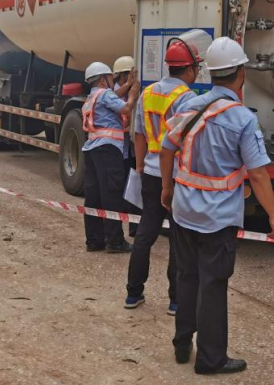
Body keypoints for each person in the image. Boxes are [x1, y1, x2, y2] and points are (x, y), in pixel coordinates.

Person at [160, 37, 274, 374]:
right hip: (218, 219)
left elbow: (166, 147)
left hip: (184, 211)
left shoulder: (188, 107)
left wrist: (167, 188)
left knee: (186, 276)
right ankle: (211, 359)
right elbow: (257, 174)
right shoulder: (242, 119)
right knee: (212, 284)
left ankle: (182, 343)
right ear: (241, 73)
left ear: (210, 74)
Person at [125, 32, 205, 315]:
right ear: (190, 68)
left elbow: (138, 136)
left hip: (149, 171)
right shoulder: (186, 98)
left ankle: (133, 294)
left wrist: (139, 167)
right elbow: (186, 141)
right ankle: (175, 299)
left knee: (144, 234)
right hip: (175, 176)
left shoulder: (147, 93)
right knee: (178, 238)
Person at [81, 61, 139, 253]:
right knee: (112, 195)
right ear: (104, 79)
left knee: (94, 196)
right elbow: (125, 108)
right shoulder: (105, 94)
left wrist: (127, 85)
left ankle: (94, 240)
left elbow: (112, 97)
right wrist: (132, 95)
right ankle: (115, 241)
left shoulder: (92, 96)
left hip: (92, 150)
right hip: (108, 150)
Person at [113, 55, 139, 238]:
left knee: (133, 188)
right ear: (123, 76)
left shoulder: (128, 91)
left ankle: (134, 227)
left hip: (129, 149)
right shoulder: (114, 92)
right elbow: (120, 106)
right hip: (117, 149)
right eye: (129, 76)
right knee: (120, 189)